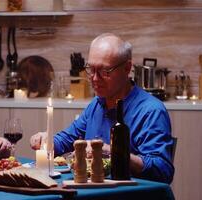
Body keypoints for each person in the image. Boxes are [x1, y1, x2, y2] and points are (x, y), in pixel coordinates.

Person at [30, 33, 174, 184]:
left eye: (105, 72)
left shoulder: (150, 111)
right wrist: (47, 140)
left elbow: (162, 170)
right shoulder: (98, 103)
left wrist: (111, 152)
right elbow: (67, 139)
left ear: (127, 68)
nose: (95, 79)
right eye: (91, 69)